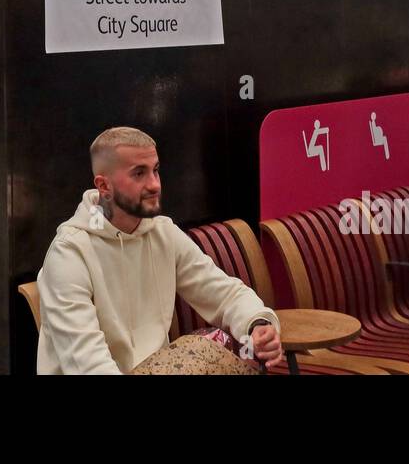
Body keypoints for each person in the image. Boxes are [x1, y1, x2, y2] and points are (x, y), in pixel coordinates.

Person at [37, 127, 283, 374]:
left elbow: (224, 294)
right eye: (139, 174)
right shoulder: (69, 253)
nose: (154, 185)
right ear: (104, 186)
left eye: (155, 170)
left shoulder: (163, 233)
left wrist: (257, 323)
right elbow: (87, 364)